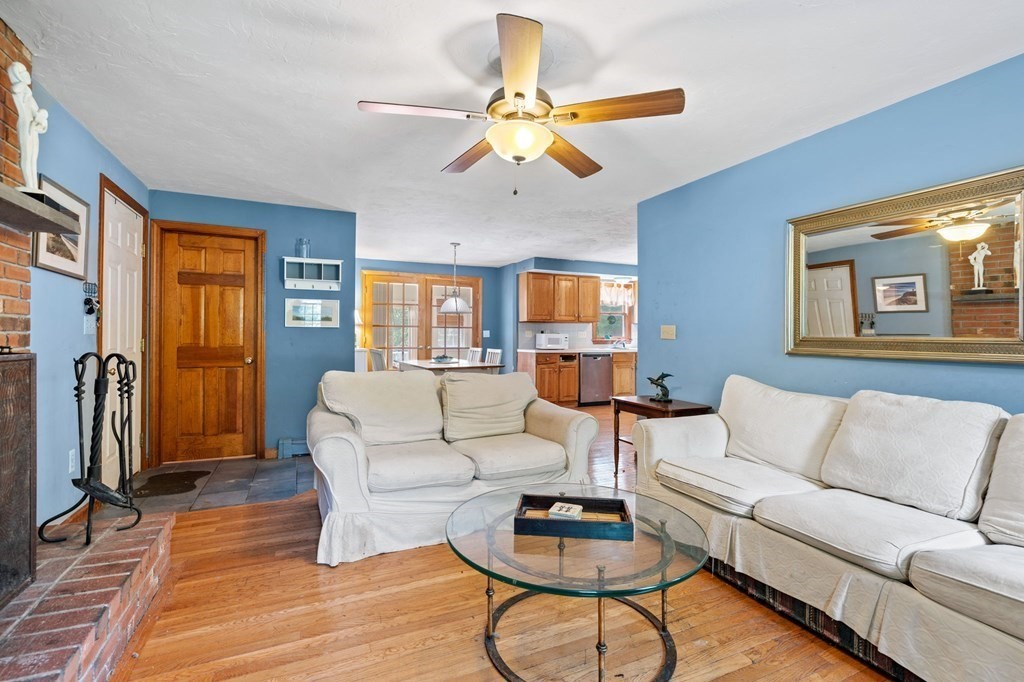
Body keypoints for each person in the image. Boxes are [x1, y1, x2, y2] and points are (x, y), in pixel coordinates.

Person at [7, 62, 48, 192]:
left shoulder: (28, 93)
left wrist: (41, 119)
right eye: (22, 71)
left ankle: (33, 187)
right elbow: (15, 89)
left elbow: (37, 112)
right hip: (25, 124)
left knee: (33, 157)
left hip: (32, 127)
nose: (26, 74)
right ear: (16, 74)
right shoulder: (20, 88)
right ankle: (29, 185)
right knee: (26, 154)